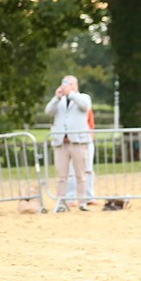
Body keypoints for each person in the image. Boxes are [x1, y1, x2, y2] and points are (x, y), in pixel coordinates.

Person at [45, 75, 93, 211]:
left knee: (80, 174)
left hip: (78, 141)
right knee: (62, 176)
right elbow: (48, 111)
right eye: (64, 84)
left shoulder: (83, 97)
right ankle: (61, 203)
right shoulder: (59, 101)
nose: (66, 86)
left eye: (69, 84)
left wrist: (71, 94)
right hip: (61, 142)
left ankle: (82, 202)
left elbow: (85, 107)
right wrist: (56, 98)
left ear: (75, 85)